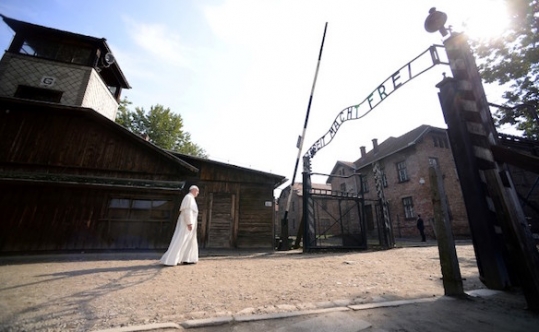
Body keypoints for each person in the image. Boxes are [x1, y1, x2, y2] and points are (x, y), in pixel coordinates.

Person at [160, 185, 200, 266]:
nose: (198, 193)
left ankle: (187, 259)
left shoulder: (191, 199)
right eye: (197, 191)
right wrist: (189, 223)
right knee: (181, 239)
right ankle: (171, 260)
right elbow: (187, 211)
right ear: (194, 190)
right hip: (186, 224)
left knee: (189, 241)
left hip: (190, 224)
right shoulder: (188, 198)